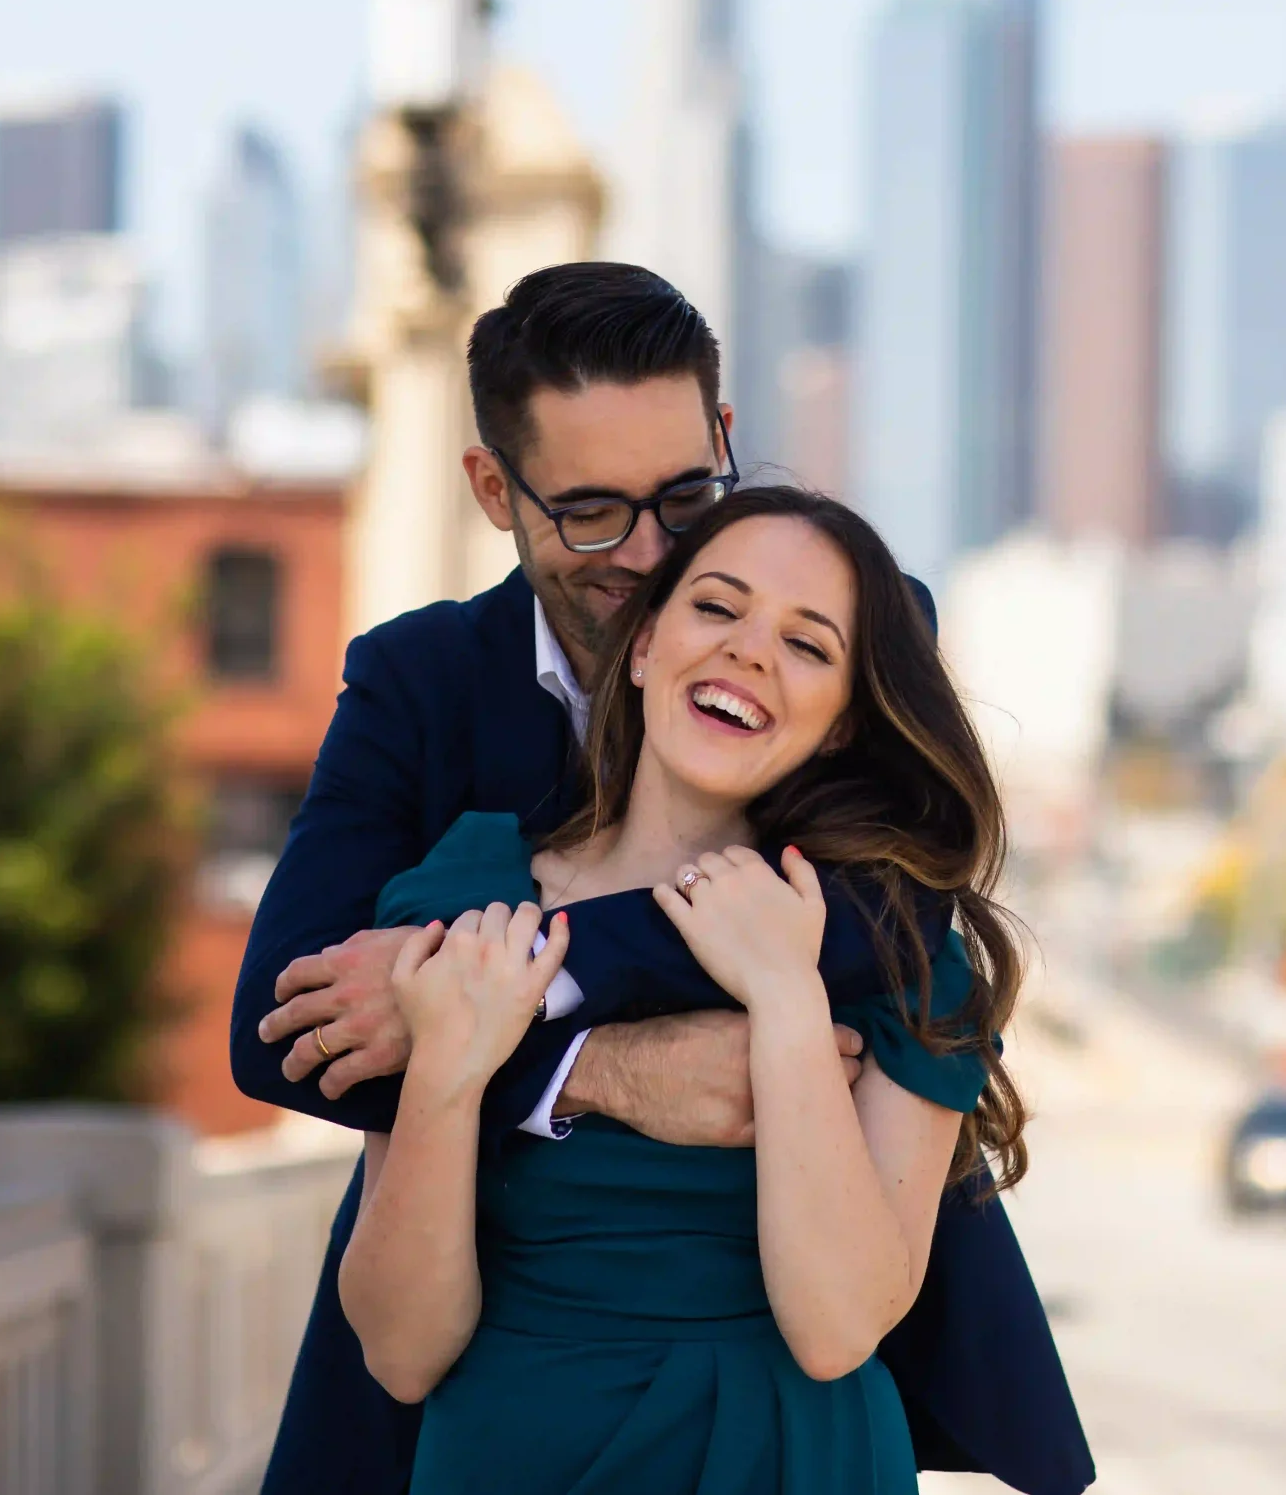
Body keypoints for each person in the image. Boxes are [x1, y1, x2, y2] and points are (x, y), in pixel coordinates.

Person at [228, 262, 1092, 1495]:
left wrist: (542, 973)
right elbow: (295, 1032)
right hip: (498, 1413)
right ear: (493, 488)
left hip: (797, 1414)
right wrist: (589, 1063)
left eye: (684, 495)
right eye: (590, 511)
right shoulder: (424, 698)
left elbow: (880, 907)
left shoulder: (850, 610)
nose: (646, 555)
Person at [341, 486, 1035, 1493]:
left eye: (807, 645)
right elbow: (401, 1353)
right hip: (515, 1452)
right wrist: (447, 1068)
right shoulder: (460, 894)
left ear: (843, 726)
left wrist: (785, 998)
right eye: (716, 607)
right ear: (640, 648)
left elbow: (839, 1325)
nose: (749, 652)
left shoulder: (902, 952)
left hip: (795, 1456)